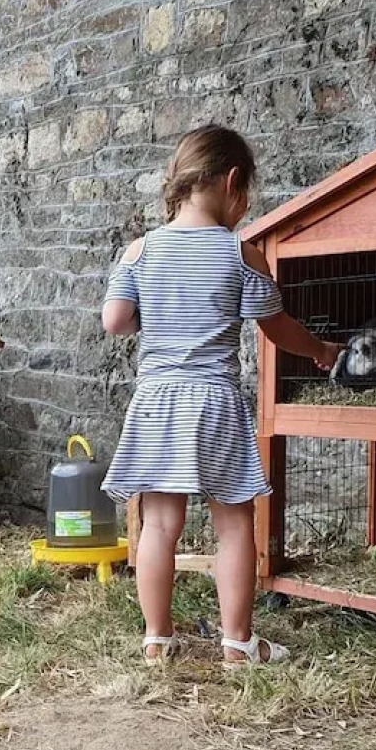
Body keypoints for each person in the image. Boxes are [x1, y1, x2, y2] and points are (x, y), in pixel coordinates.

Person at [100, 124, 340, 667]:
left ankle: (157, 639)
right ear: (234, 182)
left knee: (159, 524)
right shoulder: (240, 252)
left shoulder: (140, 251)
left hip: (158, 399)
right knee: (234, 523)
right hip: (213, 401)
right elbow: (278, 328)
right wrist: (321, 351)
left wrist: (154, 311)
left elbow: (115, 322)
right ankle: (237, 643)